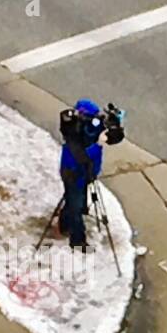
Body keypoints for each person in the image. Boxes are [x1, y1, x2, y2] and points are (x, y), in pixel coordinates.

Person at [58, 99, 104, 251]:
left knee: (74, 202)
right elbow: (82, 156)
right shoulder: (73, 134)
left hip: (85, 173)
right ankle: (77, 242)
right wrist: (98, 144)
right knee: (75, 207)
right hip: (73, 174)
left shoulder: (89, 129)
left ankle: (64, 224)